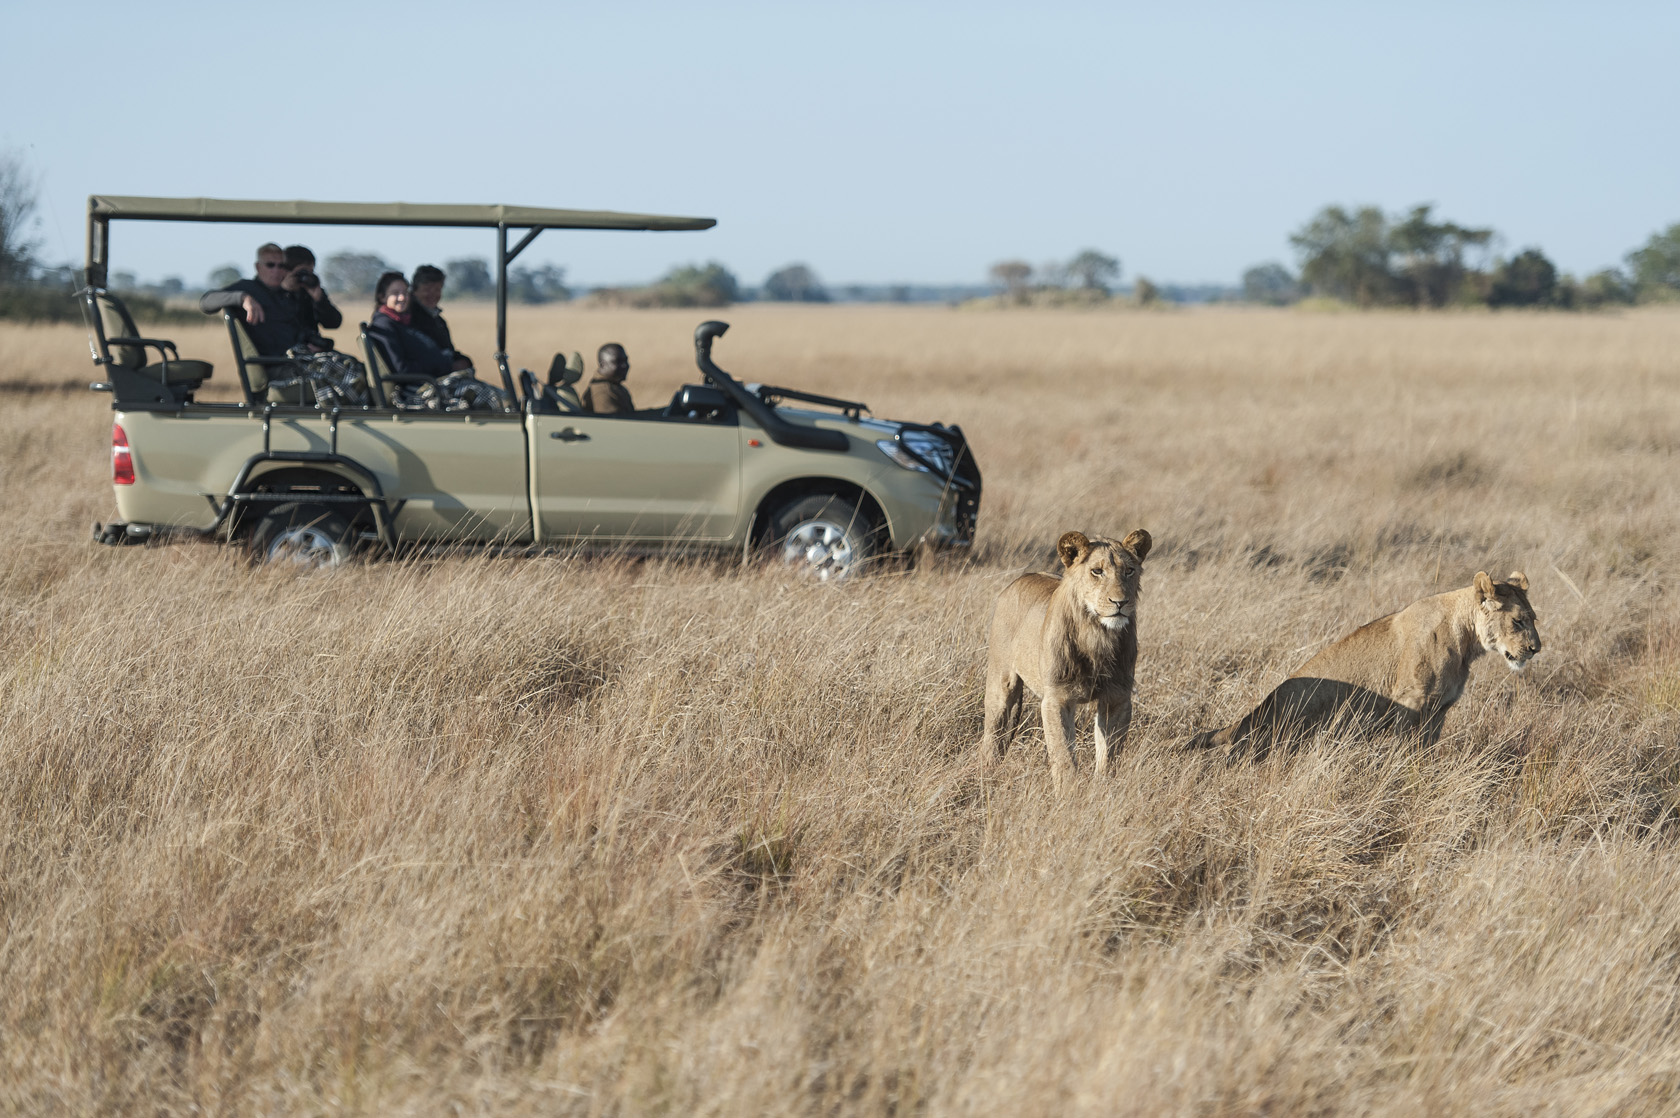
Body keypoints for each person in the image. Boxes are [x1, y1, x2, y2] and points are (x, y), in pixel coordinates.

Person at [199, 242, 321, 356]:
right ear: (258, 267)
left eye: (281, 266)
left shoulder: (290, 293)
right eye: (270, 265)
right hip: (277, 363)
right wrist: (243, 298)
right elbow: (206, 302)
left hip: (301, 357)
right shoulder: (248, 288)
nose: (276, 270)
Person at [365, 270, 455, 380]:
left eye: (405, 293)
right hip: (420, 385)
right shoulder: (384, 326)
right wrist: (438, 364)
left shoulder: (402, 321)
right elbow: (401, 369)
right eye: (395, 293)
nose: (402, 298)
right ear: (382, 297)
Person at [408, 264, 473, 371]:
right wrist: (450, 365)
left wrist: (465, 361)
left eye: (437, 289)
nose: (433, 294)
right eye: (427, 289)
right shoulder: (409, 319)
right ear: (414, 290)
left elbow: (448, 350)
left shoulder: (439, 321)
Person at [281, 245, 343, 344]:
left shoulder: (310, 293)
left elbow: (333, 323)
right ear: (285, 271)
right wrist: (284, 291)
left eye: (309, 273)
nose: (303, 278)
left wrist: (319, 300)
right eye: (299, 273)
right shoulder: (273, 293)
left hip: (311, 347)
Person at [581, 343, 634, 414]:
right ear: (603, 365)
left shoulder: (614, 386)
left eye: (625, 360)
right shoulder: (603, 392)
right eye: (618, 362)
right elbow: (613, 420)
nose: (625, 365)